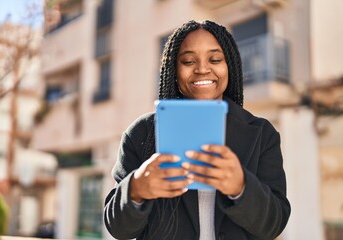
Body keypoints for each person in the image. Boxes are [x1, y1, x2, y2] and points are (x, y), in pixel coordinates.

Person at [104, 20, 291, 240]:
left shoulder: (261, 133)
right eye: (188, 61)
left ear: (229, 65)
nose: (202, 69)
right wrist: (136, 189)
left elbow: (274, 224)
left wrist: (241, 187)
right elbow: (118, 229)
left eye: (215, 59)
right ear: (175, 68)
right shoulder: (141, 134)